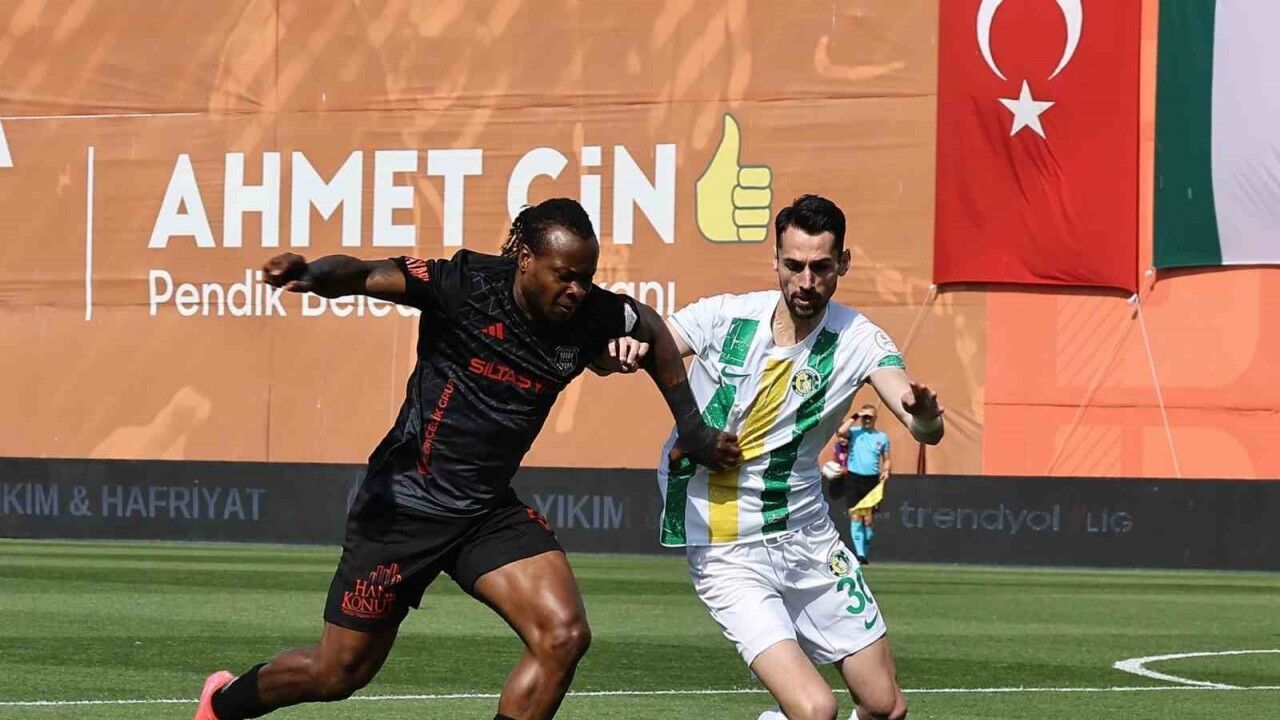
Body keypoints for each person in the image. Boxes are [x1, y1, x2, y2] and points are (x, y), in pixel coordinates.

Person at [192, 198, 740, 720]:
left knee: (563, 635)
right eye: (564, 275)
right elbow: (365, 274)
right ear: (525, 258)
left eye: (586, 276)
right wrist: (313, 274)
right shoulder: (464, 285)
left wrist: (693, 431)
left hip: (484, 513)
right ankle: (223, 704)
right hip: (405, 506)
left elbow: (651, 329)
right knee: (338, 673)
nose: (577, 289)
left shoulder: (591, 312)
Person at [602, 194, 943, 720]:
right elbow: (654, 341)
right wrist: (626, 349)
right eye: (794, 265)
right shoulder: (725, 316)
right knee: (815, 710)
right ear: (776, 261)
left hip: (807, 535)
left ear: (843, 264)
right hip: (725, 546)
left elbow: (917, 418)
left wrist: (925, 417)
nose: (806, 282)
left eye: (821, 267)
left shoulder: (858, 339)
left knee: (885, 706)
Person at [837, 405, 891, 564]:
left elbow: (887, 459)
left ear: (875, 418)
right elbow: (841, 431)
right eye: (865, 417)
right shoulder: (854, 432)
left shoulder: (882, 437)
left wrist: (886, 470)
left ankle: (865, 547)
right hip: (854, 479)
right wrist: (856, 415)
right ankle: (861, 555)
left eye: (870, 417)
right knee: (855, 516)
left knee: (868, 520)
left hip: (872, 481)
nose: (867, 420)